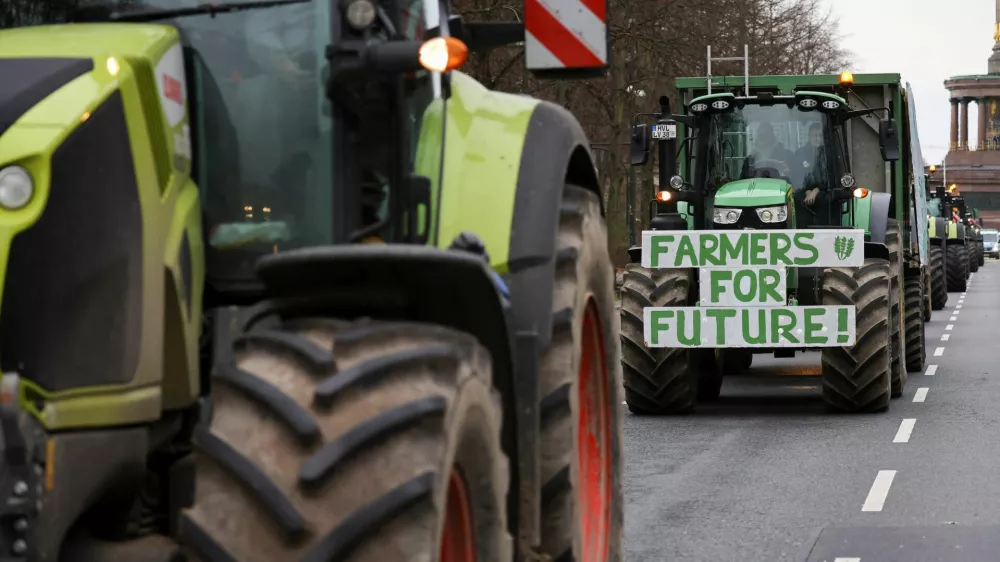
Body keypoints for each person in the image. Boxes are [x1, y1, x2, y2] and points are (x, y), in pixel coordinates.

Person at [792, 123, 828, 205]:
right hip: (802, 190)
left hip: (824, 191)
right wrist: (807, 191)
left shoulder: (828, 154)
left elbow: (829, 177)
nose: (817, 138)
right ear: (808, 136)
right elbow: (796, 176)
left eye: (820, 136)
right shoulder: (799, 154)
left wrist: (816, 190)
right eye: (814, 136)